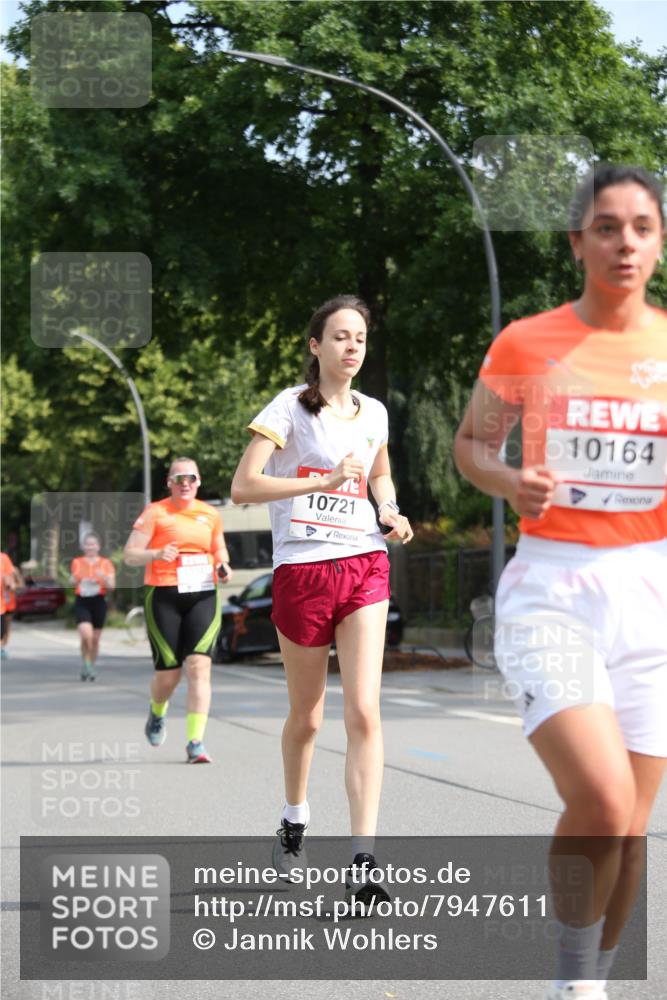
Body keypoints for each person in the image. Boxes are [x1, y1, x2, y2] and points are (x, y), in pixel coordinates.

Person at [454, 165, 666, 1000]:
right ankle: (568, 984)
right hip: (553, 588)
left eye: (641, 227)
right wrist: (510, 482)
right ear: (577, 241)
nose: (624, 242)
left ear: (657, 241)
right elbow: (472, 444)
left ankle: (586, 989)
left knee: (633, 827)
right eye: (606, 227)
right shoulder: (526, 342)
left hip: (650, 591)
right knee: (603, 803)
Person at [231, 294, 413, 904]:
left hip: (364, 563)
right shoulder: (289, 408)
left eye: (359, 336)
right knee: (308, 717)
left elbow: (380, 472)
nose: (352, 346)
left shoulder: (376, 413)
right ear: (316, 346)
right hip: (303, 569)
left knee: (364, 711)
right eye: (339, 336)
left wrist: (388, 509)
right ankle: (293, 818)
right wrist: (325, 479)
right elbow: (243, 486)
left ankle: (363, 863)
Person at [123, 457, 233, 764]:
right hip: (164, 594)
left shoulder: (210, 514)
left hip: (202, 593)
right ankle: (157, 711)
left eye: (191, 478)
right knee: (168, 675)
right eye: (178, 478)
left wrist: (224, 566)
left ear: (199, 482)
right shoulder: (156, 512)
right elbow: (130, 555)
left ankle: (195, 742)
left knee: (199, 666)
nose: (185, 484)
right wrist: (156, 552)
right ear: (169, 483)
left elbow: (219, 549)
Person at [70, 533, 115, 681]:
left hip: (98, 601)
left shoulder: (105, 563)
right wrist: (73, 580)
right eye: (87, 544)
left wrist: (104, 578)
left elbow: (112, 586)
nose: (90, 547)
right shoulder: (77, 562)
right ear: (83, 547)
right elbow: (72, 581)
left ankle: (90, 666)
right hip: (82, 601)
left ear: (98, 546)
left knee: (95, 639)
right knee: (86, 635)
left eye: (93, 544)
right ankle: (86, 662)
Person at [1, 551, 22, 660]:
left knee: (6, 626)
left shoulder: (14, 571)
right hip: (2, 603)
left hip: (9, 602)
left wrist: (13, 586)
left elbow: (20, 584)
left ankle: (3, 646)